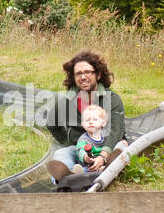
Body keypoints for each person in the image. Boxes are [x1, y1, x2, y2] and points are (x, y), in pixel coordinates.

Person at [43, 50, 128, 184]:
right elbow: (52, 123)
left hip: (107, 147)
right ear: (74, 78)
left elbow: (116, 131)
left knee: (121, 148)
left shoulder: (112, 99)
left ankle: (108, 170)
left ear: (98, 75)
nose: (83, 77)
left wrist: (102, 156)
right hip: (80, 149)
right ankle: (69, 178)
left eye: (87, 72)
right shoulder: (68, 100)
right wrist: (68, 141)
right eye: (78, 73)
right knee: (61, 154)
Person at [73, 104, 110, 172]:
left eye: (95, 119)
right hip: (89, 165)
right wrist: (85, 157)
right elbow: (80, 150)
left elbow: (110, 145)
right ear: (83, 124)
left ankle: (106, 168)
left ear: (103, 123)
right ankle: (77, 173)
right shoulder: (83, 140)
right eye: (87, 120)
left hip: (104, 161)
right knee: (85, 169)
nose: (90, 122)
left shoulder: (106, 136)